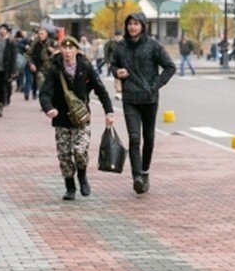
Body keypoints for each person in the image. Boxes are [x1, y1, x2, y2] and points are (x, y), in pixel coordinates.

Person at [39, 36, 114, 200]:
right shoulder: (54, 69)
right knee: (64, 155)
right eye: (64, 48)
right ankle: (70, 187)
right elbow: (45, 92)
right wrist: (48, 108)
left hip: (81, 118)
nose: (67, 51)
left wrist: (109, 111)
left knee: (80, 151)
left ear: (76, 50)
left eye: (71, 48)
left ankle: (82, 176)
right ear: (60, 49)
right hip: (61, 119)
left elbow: (101, 90)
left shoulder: (85, 67)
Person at [110, 13, 175, 195]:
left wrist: (155, 85)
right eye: (129, 24)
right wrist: (117, 72)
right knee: (134, 138)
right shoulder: (120, 46)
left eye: (136, 24)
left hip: (149, 99)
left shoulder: (153, 46)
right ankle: (137, 177)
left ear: (143, 26)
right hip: (130, 98)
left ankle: (145, 171)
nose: (132, 27)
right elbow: (112, 65)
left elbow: (170, 67)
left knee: (149, 138)